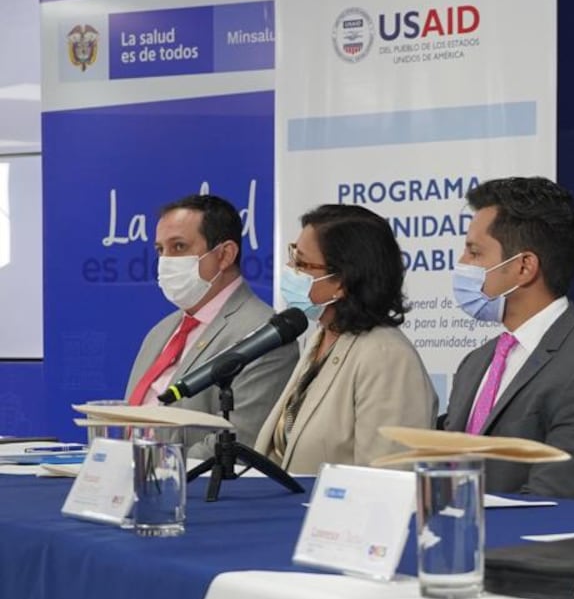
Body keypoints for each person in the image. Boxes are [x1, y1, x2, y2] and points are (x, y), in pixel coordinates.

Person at [442, 177, 574, 502]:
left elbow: (553, 503)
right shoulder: (476, 363)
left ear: (524, 267)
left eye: (474, 252)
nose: (462, 264)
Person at [255, 204, 437, 474]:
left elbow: (386, 478)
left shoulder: (386, 356)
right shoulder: (322, 336)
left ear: (341, 281)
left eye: (301, 263)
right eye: (292, 256)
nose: (289, 269)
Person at [124, 195, 297, 460]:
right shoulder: (161, 331)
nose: (165, 261)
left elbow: (238, 440)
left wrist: (159, 471)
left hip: (189, 483)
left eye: (179, 247)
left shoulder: (264, 335)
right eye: (160, 250)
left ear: (225, 255)